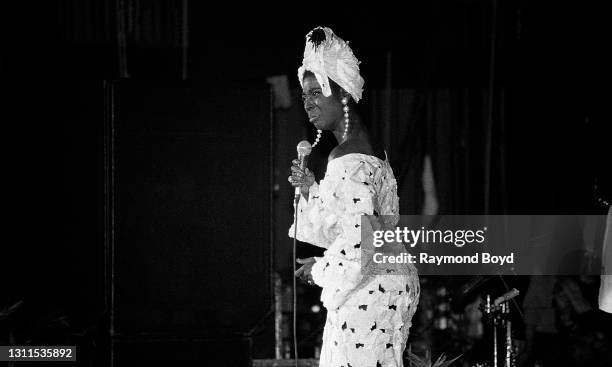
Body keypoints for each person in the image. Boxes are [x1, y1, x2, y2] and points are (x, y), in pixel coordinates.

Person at [288, 26, 420, 367]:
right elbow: (364, 228)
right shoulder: (374, 154)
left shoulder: (345, 158)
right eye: (304, 96)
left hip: (369, 292)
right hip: (391, 283)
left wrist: (319, 269)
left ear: (343, 94)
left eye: (317, 93)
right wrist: (310, 190)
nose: (308, 104)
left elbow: (358, 243)